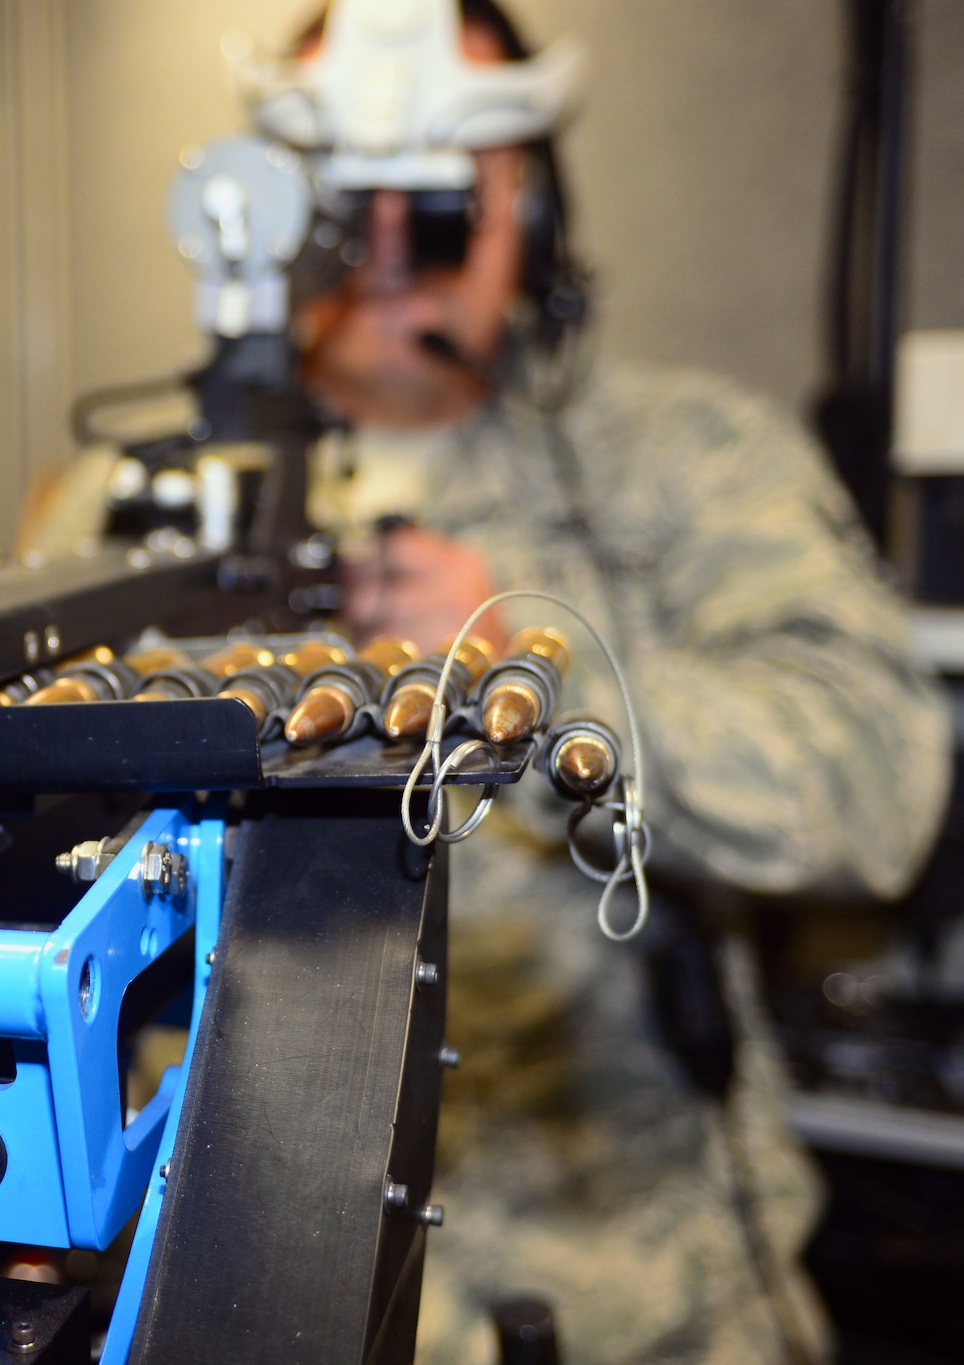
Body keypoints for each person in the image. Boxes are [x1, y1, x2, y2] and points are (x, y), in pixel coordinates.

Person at [284, 3, 952, 1362]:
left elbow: (876, 782)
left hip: (641, 1298)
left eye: (444, 203)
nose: (395, 250)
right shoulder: (138, 510)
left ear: (524, 208)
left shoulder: (684, 458)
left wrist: (545, 662)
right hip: (258, 1288)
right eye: (350, 206)